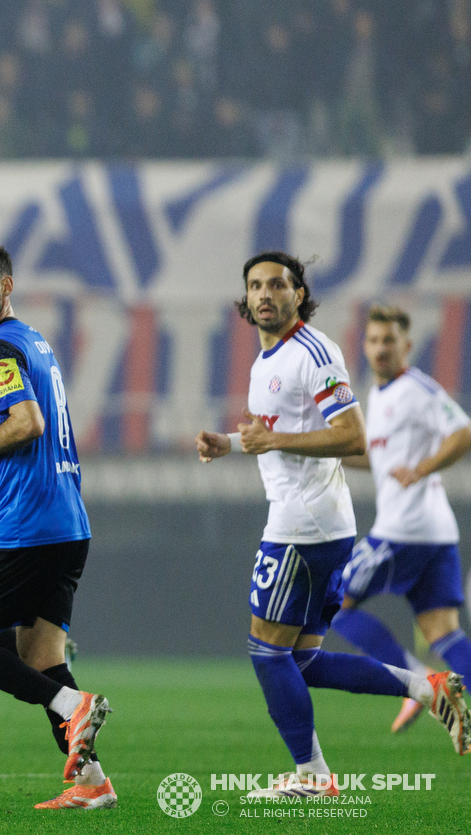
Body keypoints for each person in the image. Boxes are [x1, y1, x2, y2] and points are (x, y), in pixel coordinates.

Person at [196, 254, 469, 800]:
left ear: (300, 294)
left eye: (278, 284)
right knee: (301, 659)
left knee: (266, 653)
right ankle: (427, 686)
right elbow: (274, 435)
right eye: (255, 285)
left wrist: (271, 441)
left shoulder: (314, 352)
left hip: (304, 526)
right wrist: (228, 444)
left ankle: (313, 777)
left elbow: (350, 438)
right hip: (313, 523)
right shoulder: (267, 358)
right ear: (245, 298)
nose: (265, 293)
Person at [0, 242, 115, 811]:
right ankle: (91, 782)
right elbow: (26, 437)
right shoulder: (34, 341)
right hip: (67, 524)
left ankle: (72, 706)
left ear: (5, 286)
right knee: (42, 658)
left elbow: (28, 423)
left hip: (29, 527)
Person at [331, 305, 471, 733]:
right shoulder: (380, 395)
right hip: (436, 532)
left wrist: (422, 469)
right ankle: (430, 685)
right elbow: (378, 461)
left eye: (389, 341)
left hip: (404, 530)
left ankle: (422, 685)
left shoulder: (416, 389)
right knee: (444, 633)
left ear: (407, 345)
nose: (380, 349)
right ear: (365, 345)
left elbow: (463, 431)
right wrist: (321, 455)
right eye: (373, 341)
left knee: (333, 600)